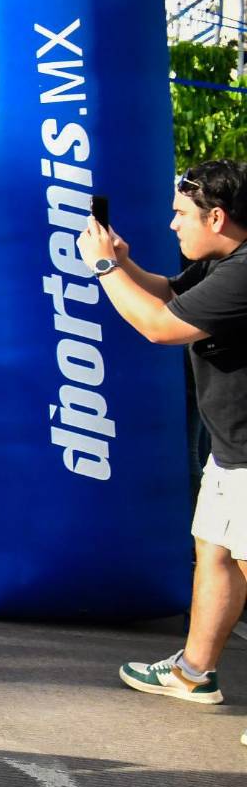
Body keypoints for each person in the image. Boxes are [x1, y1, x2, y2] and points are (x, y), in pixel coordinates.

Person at [80, 161, 247, 742]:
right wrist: (123, 262)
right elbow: (172, 295)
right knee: (215, 550)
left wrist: (103, 268)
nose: (172, 224)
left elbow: (159, 327)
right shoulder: (221, 262)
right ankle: (192, 673)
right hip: (232, 446)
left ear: (216, 218)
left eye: (181, 214)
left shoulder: (245, 271)